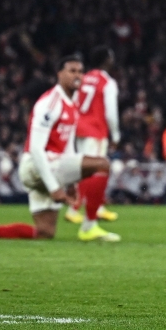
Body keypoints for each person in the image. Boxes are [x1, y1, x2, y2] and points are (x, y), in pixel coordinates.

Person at [0, 55, 120, 242]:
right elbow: (36, 149)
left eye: (80, 71)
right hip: (37, 166)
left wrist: (71, 182)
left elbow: (67, 149)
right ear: (59, 74)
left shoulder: (71, 104)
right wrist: (55, 188)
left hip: (52, 166)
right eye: (72, 71)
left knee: (44, 233)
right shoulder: (50, 103)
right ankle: (89, 226)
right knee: (102, 164)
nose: (78, 75)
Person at [66, 46, 120, 225]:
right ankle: (74, 209)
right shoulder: (107, 82)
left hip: (80, 128)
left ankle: (98, 207)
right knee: (93, 170)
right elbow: (111, 112)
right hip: (96, 129)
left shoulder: (83, 78)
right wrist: (116, 134)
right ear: (106, 60)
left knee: (90, 169)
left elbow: (72, 101)